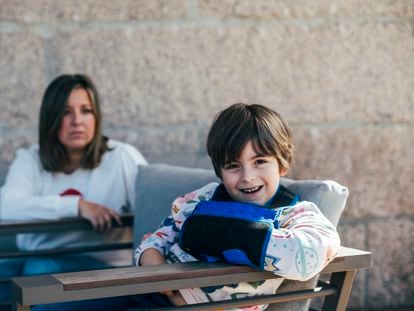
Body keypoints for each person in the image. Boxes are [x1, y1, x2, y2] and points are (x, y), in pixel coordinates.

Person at [30, 103, 340, 311]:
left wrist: (222, 234)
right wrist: (160, 274)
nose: (247, 177)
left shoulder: (296, 214)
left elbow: (308, 254)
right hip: (153, 291)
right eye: (233, 165)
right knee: (48, 298)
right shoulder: (204, 199)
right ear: (220, 171)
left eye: (260, 162)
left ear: (282, 163)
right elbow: (157, 239)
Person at [0, 74, 147, 305]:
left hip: (106, 271)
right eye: (66, 112)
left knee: (39, 268)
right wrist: (77, 206)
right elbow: (7, 205)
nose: (77, 121)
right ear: (51, 118)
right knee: (13, 270)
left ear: (96, 116)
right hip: (33, 263)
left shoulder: (122, 157)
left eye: (86, 110)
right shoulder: (31, 159)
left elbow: (153, 214)